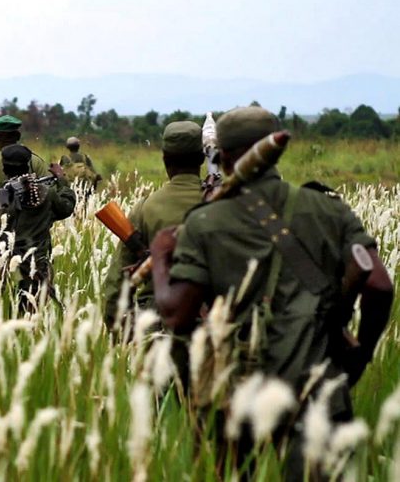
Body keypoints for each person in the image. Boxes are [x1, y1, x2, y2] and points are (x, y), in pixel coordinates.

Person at [150, 106, 394, 480]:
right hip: (318, 392)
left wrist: (161, 257)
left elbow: (178, 315)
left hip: (234, 399)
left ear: (222, 158)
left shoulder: (204, 222)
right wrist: (357, 358)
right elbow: (379, 285)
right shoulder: (328, 209)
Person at [102, 122, 204, 330]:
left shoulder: (145, 208)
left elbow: (117, 282)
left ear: (165, 159)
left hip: (158, 323)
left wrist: (119, 326)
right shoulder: (224, 204)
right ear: (202, 158)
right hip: (214, 322)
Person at [0, 144, 76, 313]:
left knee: (4, 314)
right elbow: (66, 207)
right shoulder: (46, 194)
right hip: (37, 270)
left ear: (4, 169)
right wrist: (61, 179)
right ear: (28, 166)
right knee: (33, 316)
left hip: (3, 271)